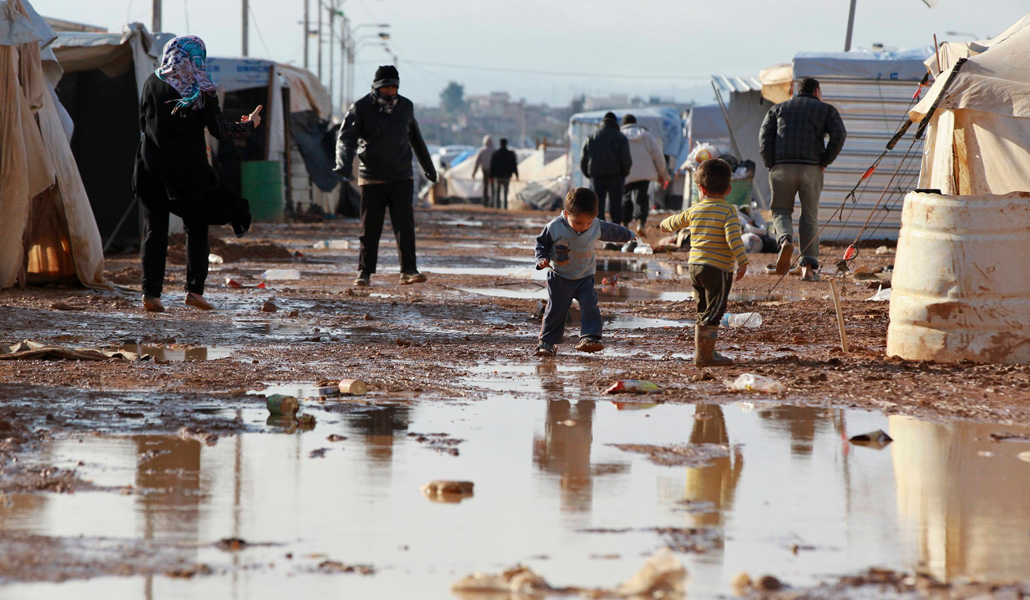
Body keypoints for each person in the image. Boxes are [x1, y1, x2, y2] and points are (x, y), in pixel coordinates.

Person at [134, 35, 260, 313]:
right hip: (187, 171)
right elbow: (220, 131)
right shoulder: (201, 86)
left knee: (154, 230)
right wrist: (249, 125)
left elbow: (143, 122)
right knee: (197, 226)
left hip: (150, 166)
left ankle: (150, 295)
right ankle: (194, 291)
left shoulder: (151, 82)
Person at [334, 65, 437, 287]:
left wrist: (428, 166)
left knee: (405, 225)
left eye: (394, 88)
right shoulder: (360, 108)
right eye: (387, 88)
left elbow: (416, 138)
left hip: (402, 175)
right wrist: (342, 162)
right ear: (377, 88)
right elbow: (346, 138)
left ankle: (408, 270)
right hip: (372, 176)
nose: (391, 93)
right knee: (370, 228)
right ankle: (364, 272)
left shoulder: (406, 107)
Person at [660, 159, 748, 366]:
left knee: (703, 309)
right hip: (718, 269)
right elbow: (733, 238)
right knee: (715, 310)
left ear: (700, 188)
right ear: (729, 189)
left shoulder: (694, 210)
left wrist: (663, 226)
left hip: (695, 268)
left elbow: (670, 223)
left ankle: (703, 352)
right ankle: (705, 355)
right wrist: (743, 261)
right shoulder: (728, 211)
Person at [759, 77, 846, 281]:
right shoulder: (826, 110)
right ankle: (808, 268)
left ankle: (785, 240)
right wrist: (825, 161)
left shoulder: (778, 109)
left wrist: (771, 163)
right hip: (811, 168)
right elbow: (839, 134)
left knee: (781, 210)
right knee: (809, 216)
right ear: (817, 91)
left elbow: (764, 137)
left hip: (782, 167)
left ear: (797, 91)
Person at [534, 187, 635, 356]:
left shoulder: (595, 225)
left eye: (588, 222)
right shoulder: (554, 227)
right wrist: (541, 259)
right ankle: (547, 342)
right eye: (578, 223)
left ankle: (590, 337)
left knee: (590, 306)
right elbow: (541, 243)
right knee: (556, 310)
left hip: (585, 277)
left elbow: (611, 230)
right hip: (559, 277)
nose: (583, 227)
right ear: (566, 215)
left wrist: (629, 235)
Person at [619, 114, 669, 235]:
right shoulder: (646, 135)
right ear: (635, 122)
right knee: (641, 197)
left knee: (626, 197)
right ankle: (641, 223)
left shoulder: (619, 135)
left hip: (625, 172)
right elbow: (658, 156)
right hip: (645, 172)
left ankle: (625, 224)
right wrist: (663, 174)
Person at [580, 112, 631, 223]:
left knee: (597, 205)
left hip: (596, 176)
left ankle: (599, 230)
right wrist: (624, 173)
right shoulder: (621, 137)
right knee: (616, 205)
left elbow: (583, 158)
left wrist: (588, 173)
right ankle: (616, 229)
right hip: (616, 176)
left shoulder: (592, 136)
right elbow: (626, 159)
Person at [488, 138, 518, 210]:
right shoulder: (510, 154)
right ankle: (505, 207)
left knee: (497, 193)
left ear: (500, 144)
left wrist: (490, 176)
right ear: (506, 144)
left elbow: (492, 166)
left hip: (497, 176)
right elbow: (514, 165)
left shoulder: (495, 153)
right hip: (506, 176)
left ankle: (496, 208)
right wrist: (517, 175)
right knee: (505, 193)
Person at [470, 135, 494, 206]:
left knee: (485, 188)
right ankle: (493, 203)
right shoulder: (494, 150)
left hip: (485, 172)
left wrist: (474, 173)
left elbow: (477, 163)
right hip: (492, 172)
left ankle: (485, 203)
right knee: (493, 188)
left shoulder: (482, 151)